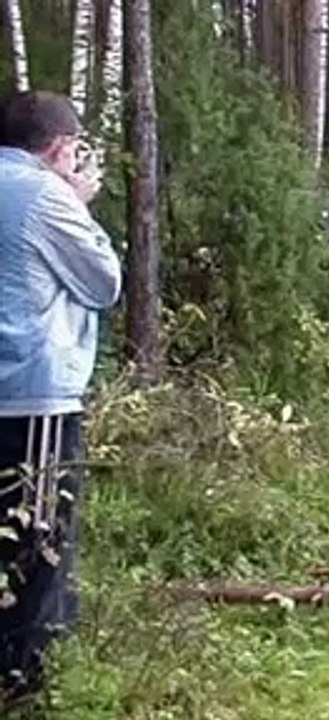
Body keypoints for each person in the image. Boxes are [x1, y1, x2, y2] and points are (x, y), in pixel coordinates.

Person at [0, 91, 122, 708]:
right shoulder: (45, 195)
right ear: (59, 146)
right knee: (37, 542)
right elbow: (104, 280)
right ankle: (25, 684)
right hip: (31, 397)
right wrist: (77, 202)